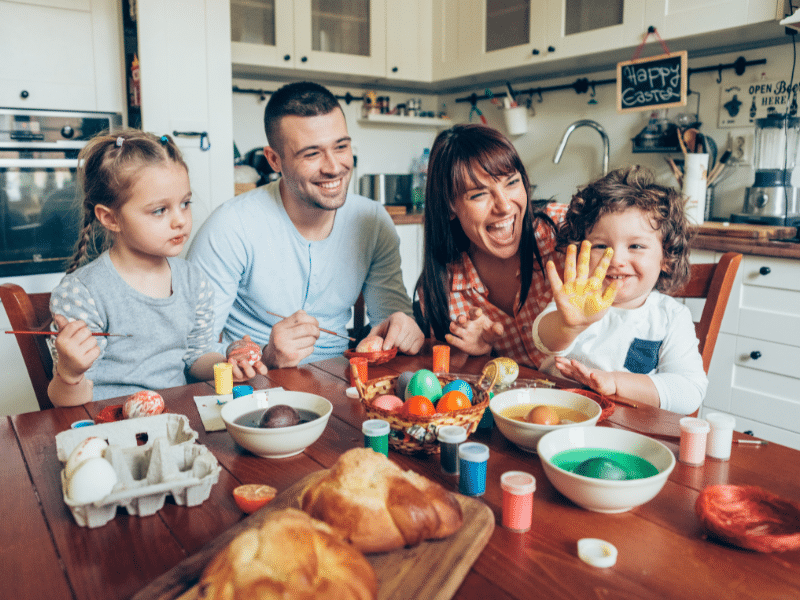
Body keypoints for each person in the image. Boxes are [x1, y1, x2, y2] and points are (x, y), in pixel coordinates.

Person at [188, 81, 423, 371]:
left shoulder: (373, 221)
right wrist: (265, 356)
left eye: (341, 147)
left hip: (342, 378)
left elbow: (391, 318)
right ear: (275, 160)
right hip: (257, 388)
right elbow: (192, 353)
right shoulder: (229, 226)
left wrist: (403, 326)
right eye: (312, 154)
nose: (333, 167)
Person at [47, 129, 259, 407]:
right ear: (110, 218)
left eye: (185, 204)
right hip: (111, 423)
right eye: (160, 210)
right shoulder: (82, 292)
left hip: (177, 418)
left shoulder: (193, 280)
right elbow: (65, 403)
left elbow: (196, 358)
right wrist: (70, 373)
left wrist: (228, 365)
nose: (180, 220)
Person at [533, 166, 708, 414]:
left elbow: (690, 391)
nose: (615, 259)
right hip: (559, 412)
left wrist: (615, 382)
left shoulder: (670, 317)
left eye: (636, 245)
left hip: (629, 430)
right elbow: (543, 341)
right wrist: (568, 325)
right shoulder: (578, 299)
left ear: (666, 256)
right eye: (601, 245)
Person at [415, 123, 566, 368]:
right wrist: (474, 355)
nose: (504, 206)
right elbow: (451, 386)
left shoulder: (564, 232)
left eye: (511, 182)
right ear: (450, 206)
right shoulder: (441, 290)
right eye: (479, 194)